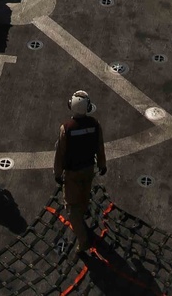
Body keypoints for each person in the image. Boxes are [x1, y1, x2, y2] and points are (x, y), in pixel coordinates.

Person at [54, 89, 107, 254]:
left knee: (71, 207)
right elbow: (100, 147)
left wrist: (57, 173)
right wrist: (103, 164)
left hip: (73, 173)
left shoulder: (66, 129)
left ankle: (83, 240)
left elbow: (60, 154)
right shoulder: (95, 124)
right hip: (89, 169)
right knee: (85, 195)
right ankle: (83, 214)